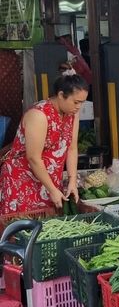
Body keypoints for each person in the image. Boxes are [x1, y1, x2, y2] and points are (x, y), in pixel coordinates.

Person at [0, 72, 88, 213]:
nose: (79, 107)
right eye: (76, 102)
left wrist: (72, 181)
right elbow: (33, 158)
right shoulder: (39, 115)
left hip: (48, 180)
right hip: (23, 179)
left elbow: (72, 148)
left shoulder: (72, 113)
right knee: (24, 226)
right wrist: (52, 189)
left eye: (82, 103)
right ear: (60, 95)